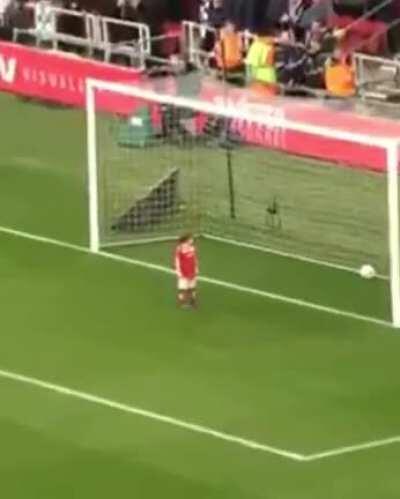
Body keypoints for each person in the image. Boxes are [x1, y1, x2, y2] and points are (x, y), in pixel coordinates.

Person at [174, 234, 198, 309]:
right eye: (191, 239)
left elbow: (195, 259)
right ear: (186, 240)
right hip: (183, 271)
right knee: (183, 288)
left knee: (192, 287)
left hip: (192, 271)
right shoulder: (180, 249)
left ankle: (192, 301)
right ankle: (182, 303)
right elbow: (177, 260)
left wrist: (196, 268)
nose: (192, 240)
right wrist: (178, 271)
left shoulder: (192, 248)